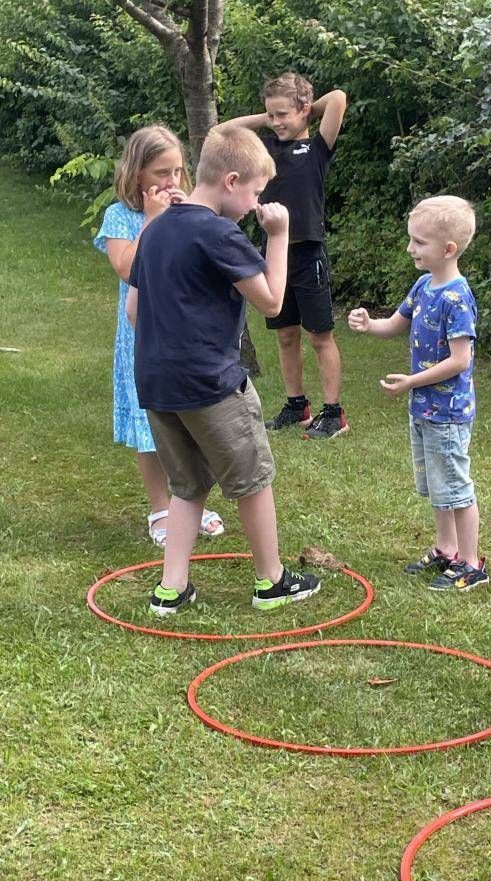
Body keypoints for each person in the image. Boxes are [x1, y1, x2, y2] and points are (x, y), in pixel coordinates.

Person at [126, 125, 321, 615]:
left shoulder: (156, 228)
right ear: (231, 181)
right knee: (252, 478)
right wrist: (279, 235)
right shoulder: (218, 232)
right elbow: (272, 301)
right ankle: (271, 581)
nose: (256, 204)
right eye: (255, 192)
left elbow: (133, 311)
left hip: (157, 383)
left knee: (187, 484)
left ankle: (171, 588)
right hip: (211, 384)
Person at [348, 196, 488, 591]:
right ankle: (446, 549)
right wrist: (369, 324)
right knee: (437, 485)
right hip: (424, 409)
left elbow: (460, 360)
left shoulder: (456, 298)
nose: (410, 248)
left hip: (448, 411)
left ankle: (471, 563)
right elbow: (396, 323)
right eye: (411, 239)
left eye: (419, 242)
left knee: (456, 487)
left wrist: (412, 381)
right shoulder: (424, 285)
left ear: (448, 249)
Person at [94, 125, 224, 547]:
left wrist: (189, 218)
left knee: (190, 423)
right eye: (161, 173)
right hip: (140, 338)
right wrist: (152, 221)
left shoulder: (186, 210)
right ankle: (160, 509)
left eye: (178, 171)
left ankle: (191, 503)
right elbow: (127, 268)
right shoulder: (120, 217)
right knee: (149, 427)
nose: (172, 181)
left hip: (181, 335)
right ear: (137, 175)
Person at [222, 72, 349, 439]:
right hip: (273, 256)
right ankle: (297, 405)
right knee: (285, 335)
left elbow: (338, 97)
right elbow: (224, 132)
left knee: (319, 336)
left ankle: (333, 413)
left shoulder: (318, 148)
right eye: (271, 115)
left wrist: (306, 111)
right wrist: (269, 118)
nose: (276, 122)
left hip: (309, 253)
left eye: (282, 114)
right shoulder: (265, 149)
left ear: (305, 110)